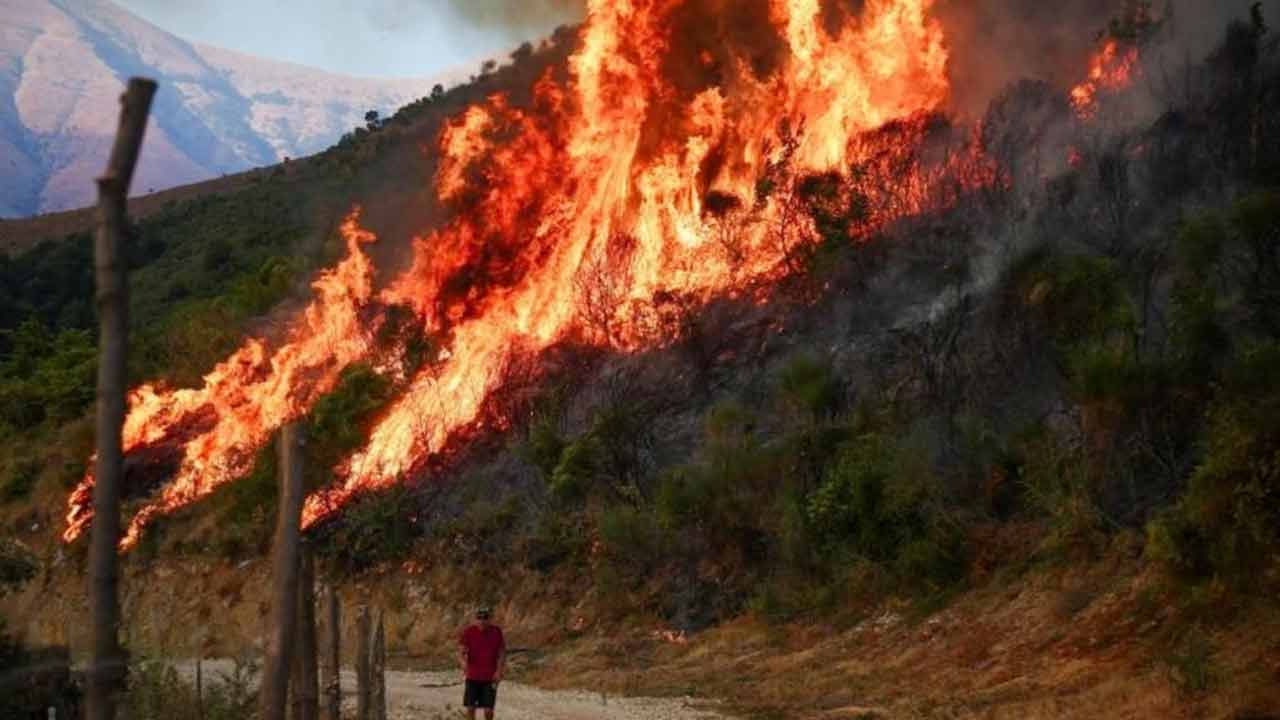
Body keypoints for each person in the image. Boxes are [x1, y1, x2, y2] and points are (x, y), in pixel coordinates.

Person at [458, 605, 506, 719]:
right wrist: (462, 662)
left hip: (490, 677)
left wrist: (499, 671)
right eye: (479, 618)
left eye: (485, 618)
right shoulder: (469, 631)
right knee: (470, 708)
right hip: (472, 676)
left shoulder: (496, 632)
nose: (482, 621)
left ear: (490, 619)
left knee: (488, 710)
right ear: (475, 619)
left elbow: (502, 652)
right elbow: (461, 651)